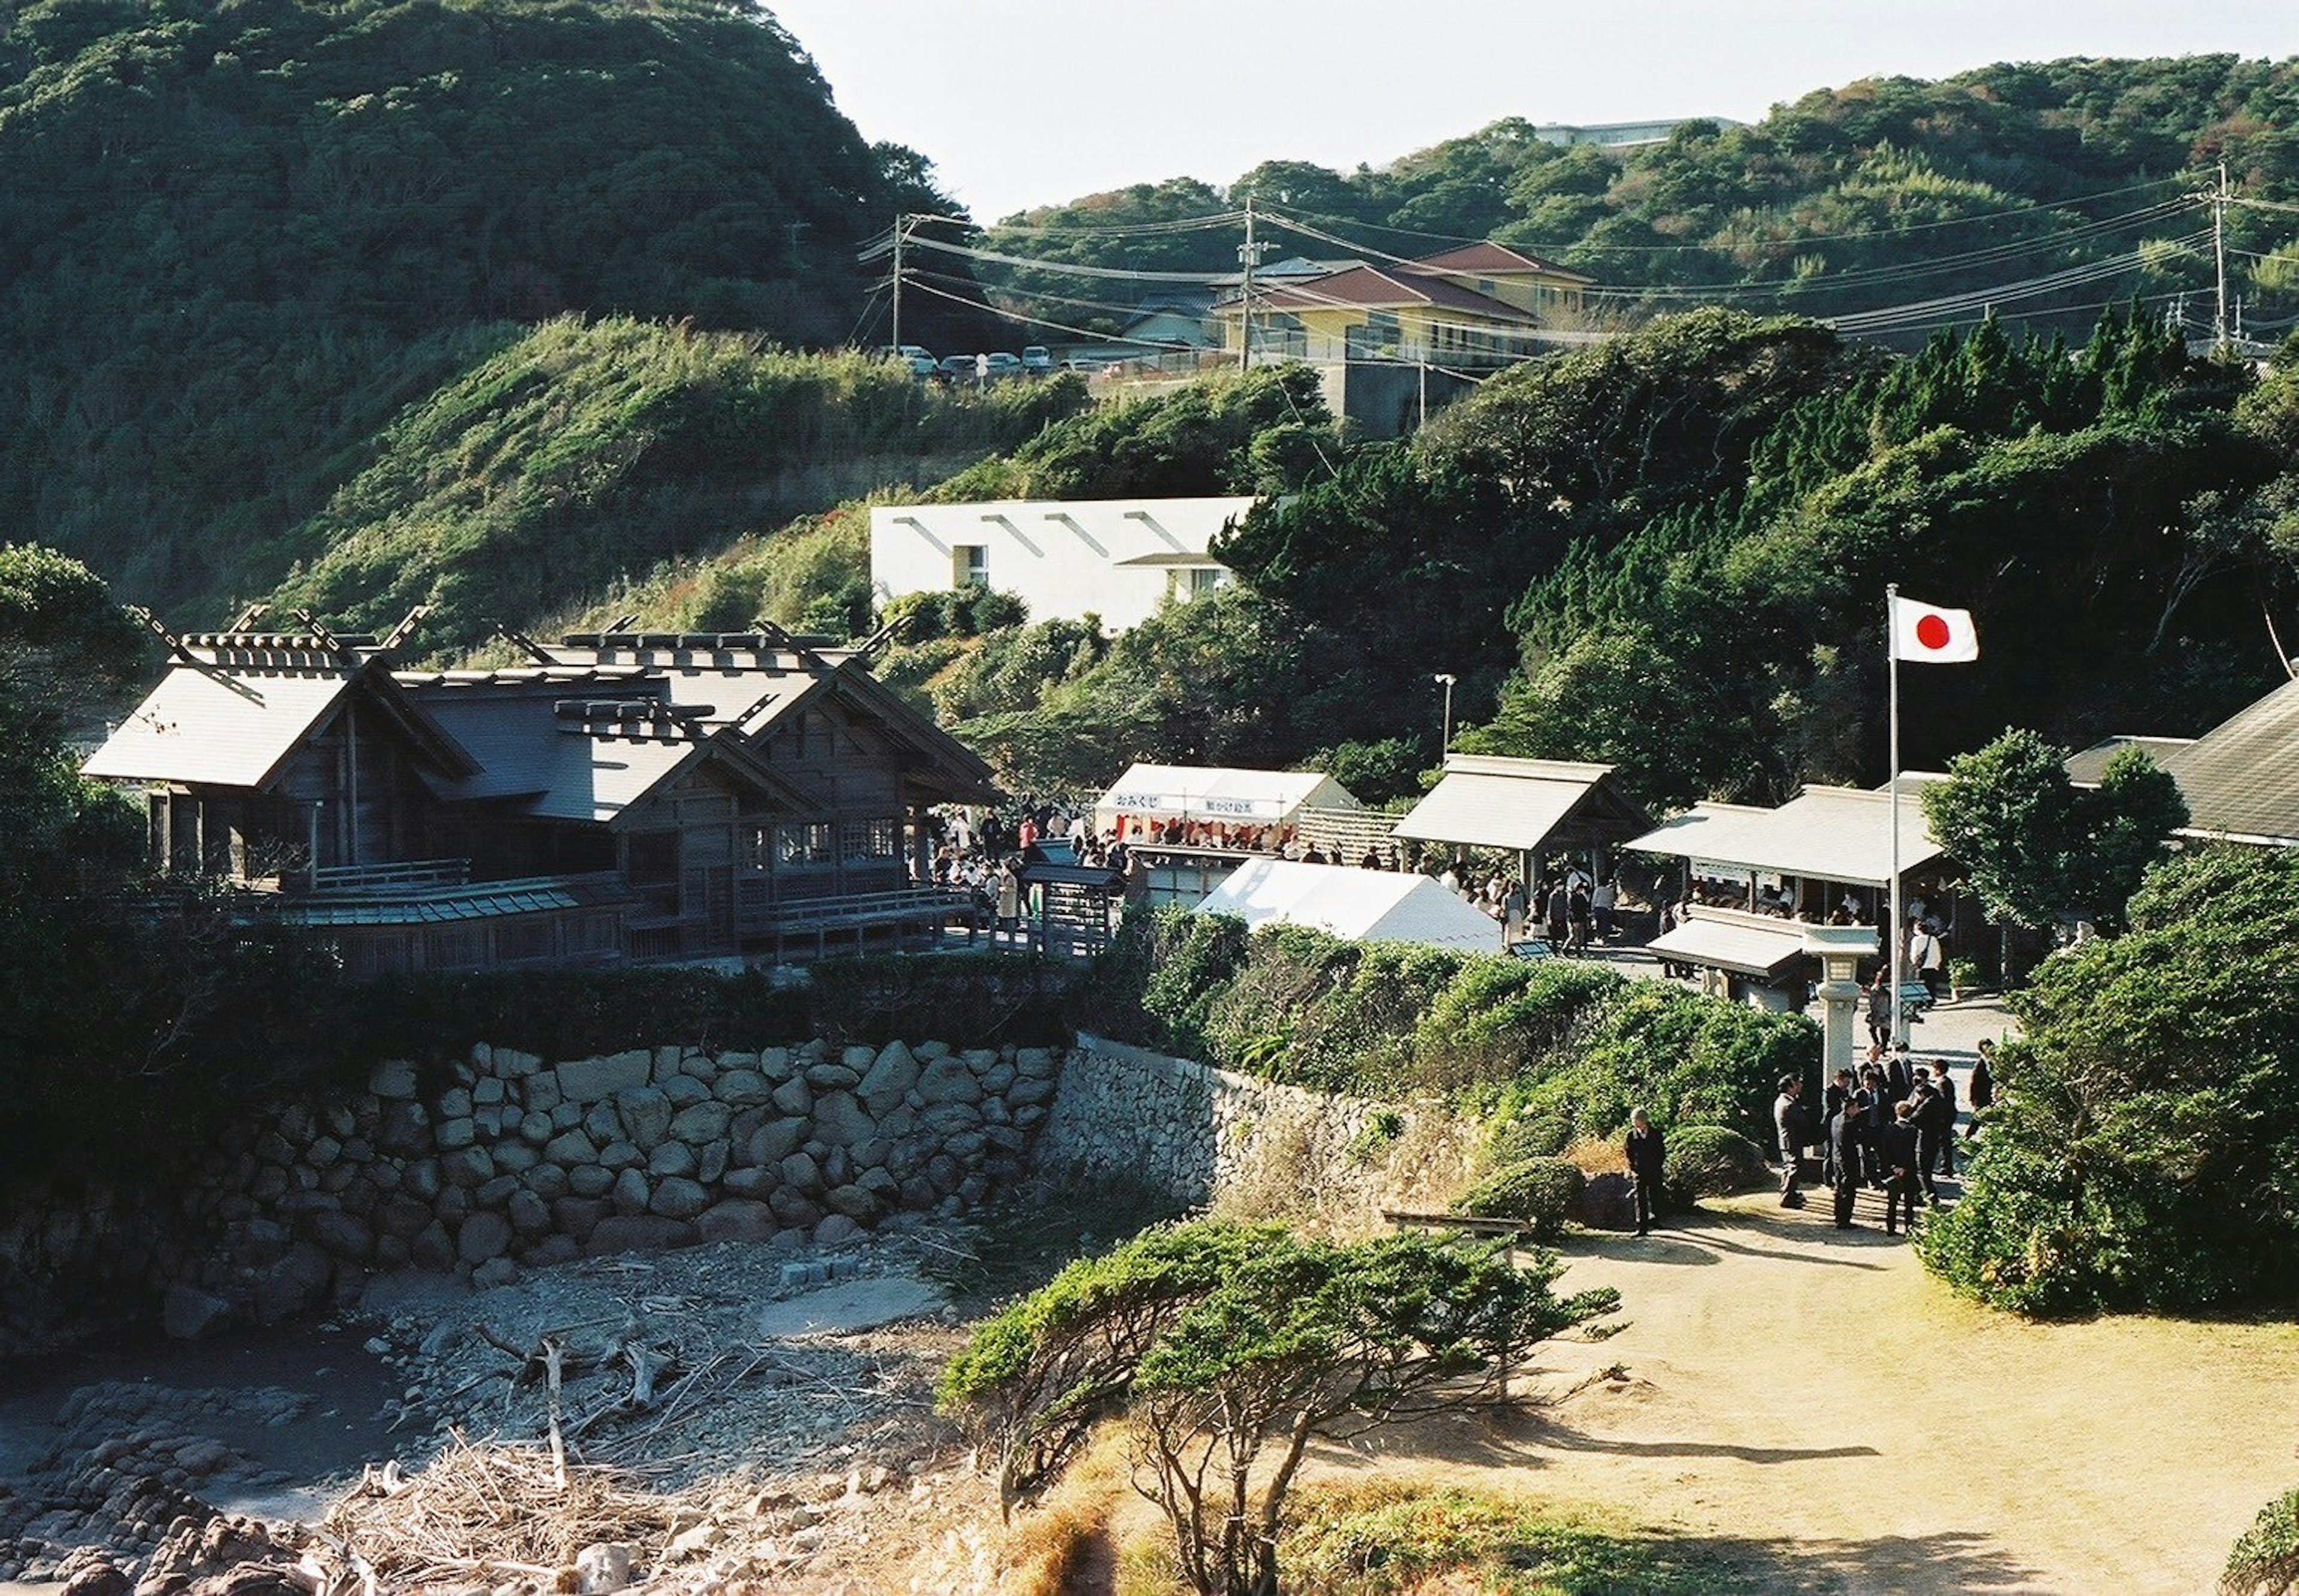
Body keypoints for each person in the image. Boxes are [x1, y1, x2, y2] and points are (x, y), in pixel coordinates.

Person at [1881, 1101, 1922, 1236]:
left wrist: (1893, 1167)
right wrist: (1905, 1167)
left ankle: (1891, 1229)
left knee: (1892, 1202)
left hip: (1892, 1171)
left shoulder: (1888, 1129)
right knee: (1909, 1203)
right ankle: (1909, 1229)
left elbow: (1884, 1152)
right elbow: (1913, 1152)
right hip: (1909, 1170)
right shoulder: (1914, 1131)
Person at [1625, 1109, 1666, 1236]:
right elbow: (1629, 1153)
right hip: (1640, 1171)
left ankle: (1656, 1220)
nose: (1634, 1123)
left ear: (1643, 1120)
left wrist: (1658, 1166)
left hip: (1654, 1170)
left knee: (1656, 1196)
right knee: (1641, 1199)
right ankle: (1642, 1228)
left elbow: (1661, 1152)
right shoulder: (1631, 1135)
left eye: (1635, 1120)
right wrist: (1633, 1168)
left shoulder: (1656, 1134)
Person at [1828, 1091, 1863, 1230]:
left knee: (1839, 1187)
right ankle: (1845, 1220)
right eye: (1856, 1107)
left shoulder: (1836, 1119)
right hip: (1847, 1159)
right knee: (1848, 1190)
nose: (1858, 1110)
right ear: (1850, 1109)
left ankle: (1838, 1215)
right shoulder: (1848, 1125)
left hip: (1837, 1157)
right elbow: (1857, 1139)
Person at [1773, 1075, 1808, 1209]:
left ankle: (1788, 1192)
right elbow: (1803, 1122)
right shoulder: (1789, 1105)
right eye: (1798, 1083)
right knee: (1795, 1167)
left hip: (1787, 1139)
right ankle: (1788, 1196)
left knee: (1789, 1167)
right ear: (1790, 1087)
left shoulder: (1782, 1101)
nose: (1800, 1086)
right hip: (1792, 1140)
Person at [1967, 1039, 1997, 1140]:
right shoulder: (1980, 1064)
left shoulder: (1992, 1062)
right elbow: (1974, 1083)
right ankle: (1967, 1139)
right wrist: (1973, 1099)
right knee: (1978, 1119)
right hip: (1982, 1096)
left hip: (1991, 1095)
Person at [1865, 969, 1894, 1052]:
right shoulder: (1887, 987)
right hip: (1884, 1011)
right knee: (1883, 1031)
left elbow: (1872, 1000)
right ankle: (1882, 1046)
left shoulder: (1878, 988)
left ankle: (1879, 1045)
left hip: (1878, 1011)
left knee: (1874, 1029)